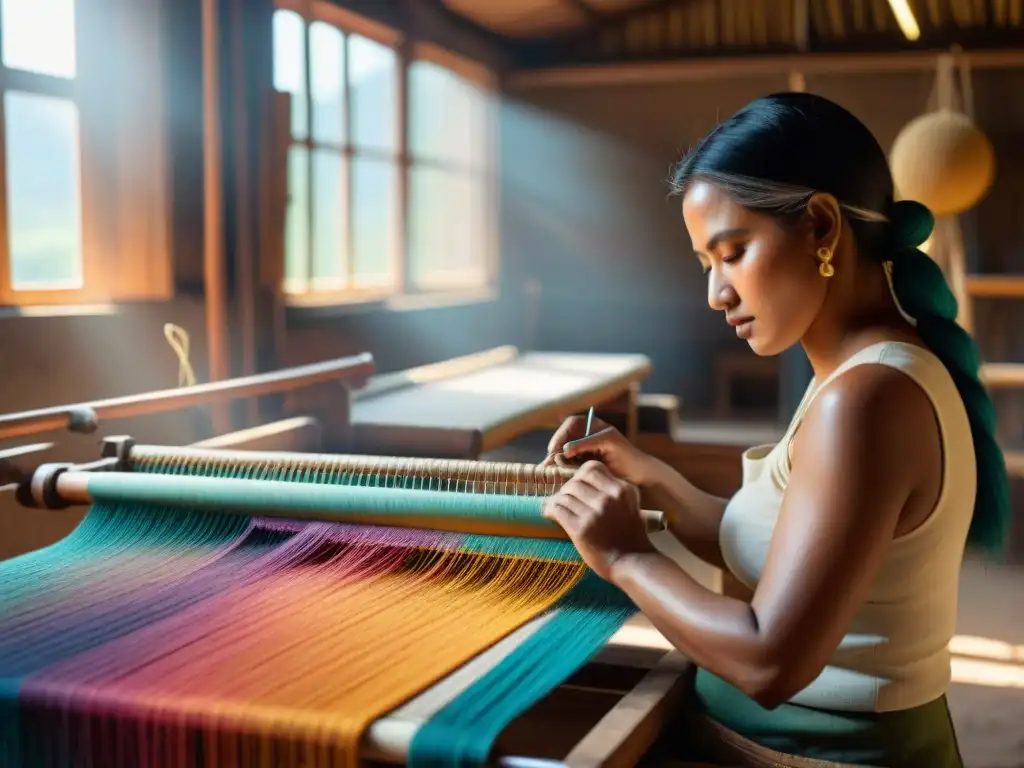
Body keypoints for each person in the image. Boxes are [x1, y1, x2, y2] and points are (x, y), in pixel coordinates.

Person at [541, 92, 1009, 768]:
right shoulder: (855, 375)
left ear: (821, 226)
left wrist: (625, 558)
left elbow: (770, 661)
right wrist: (656, 481)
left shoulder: (868, 398)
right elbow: (780, 549)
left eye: (732, 252)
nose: (716, 293)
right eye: (707, 263)